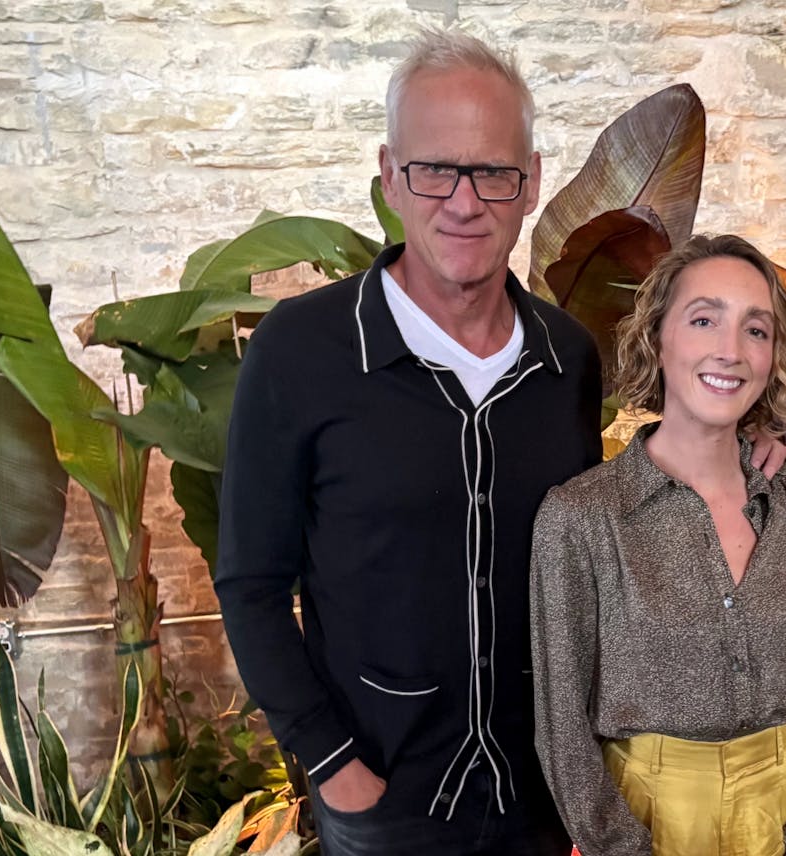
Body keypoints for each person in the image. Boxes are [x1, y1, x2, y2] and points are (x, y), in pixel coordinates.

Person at [213, 29, 602, 855]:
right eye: (434, 170)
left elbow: (585, 567)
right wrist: (332, 764)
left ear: (530, 184)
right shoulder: (302, 350)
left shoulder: (567, 359)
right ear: (390, 176)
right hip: (384, 806)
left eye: (493, 173)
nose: (464, 204)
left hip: (540, 801)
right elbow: (251, 583)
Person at [530, 234, 786, 856]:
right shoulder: (581, 519)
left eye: (756, 330)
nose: (730, 351)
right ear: (658, 339)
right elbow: (562, 731)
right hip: (649, 824)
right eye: (704, 319)